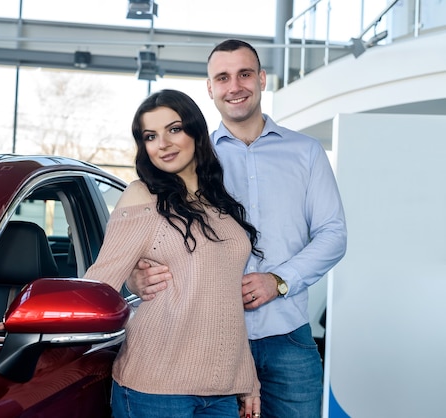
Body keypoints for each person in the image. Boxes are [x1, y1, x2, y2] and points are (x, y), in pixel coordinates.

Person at [127, 40, 348, 418]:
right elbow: (150, 235)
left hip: (286, 336)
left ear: (261, 79)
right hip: (203, 341)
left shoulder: (306, 152)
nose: (235, 86)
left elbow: (333, 234)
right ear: (210, 88)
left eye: (245, 74)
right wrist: (136, 276)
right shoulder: (187, 158)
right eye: (223, 77)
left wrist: (278, 280)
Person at [84, 89, 262, 418]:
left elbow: (226, 300)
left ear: (195, 130)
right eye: (150, 136)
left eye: (174, 129)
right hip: (157, 387)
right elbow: (100, 282)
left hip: (221, 389)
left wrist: (247, 378)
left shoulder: (219, 200)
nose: (163, 143)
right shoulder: (143, 196)